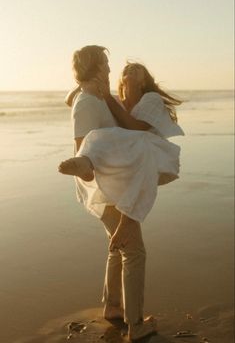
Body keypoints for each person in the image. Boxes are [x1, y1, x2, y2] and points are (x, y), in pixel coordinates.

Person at [58, 45, 184, 340]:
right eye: (106, 63)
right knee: (133, 250)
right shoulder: (88, 102)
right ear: (97, 67)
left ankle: (113, 307)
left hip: (116, 182)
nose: (112, 69)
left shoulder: (98, 98)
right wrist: (89, 169)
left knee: (119, 246)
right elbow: (83, 147)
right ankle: (136, 324)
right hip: (105, 187)